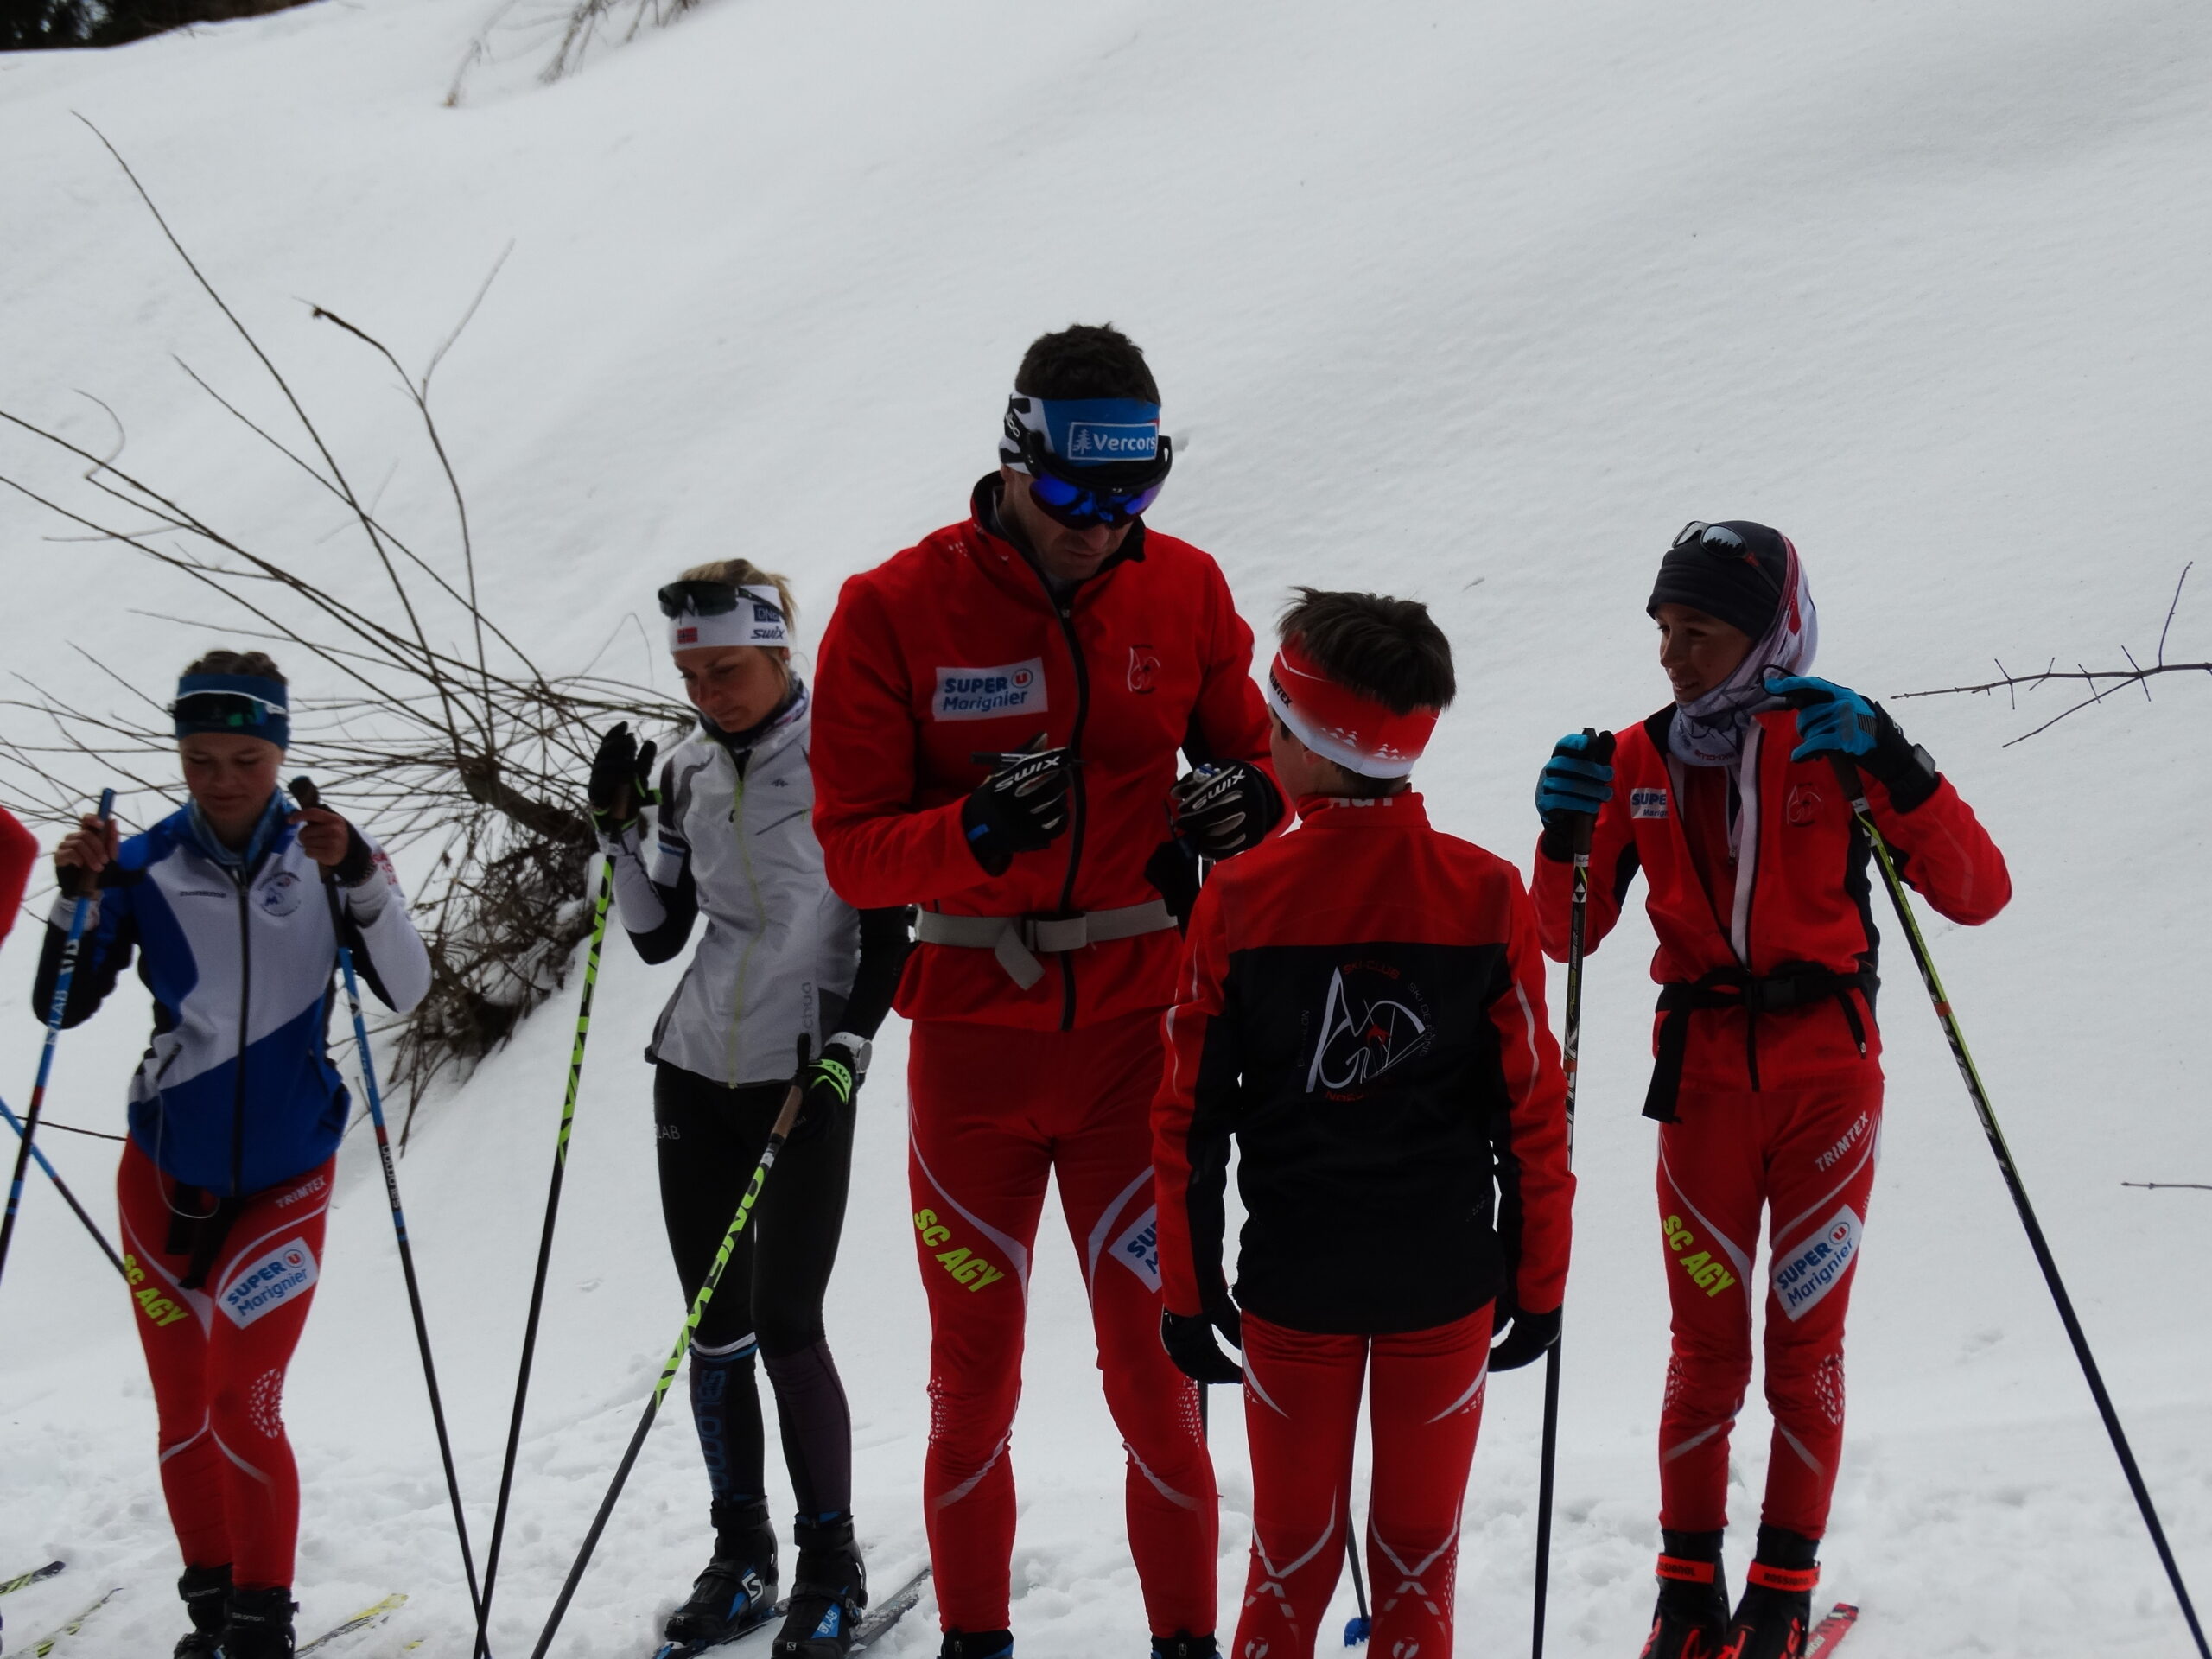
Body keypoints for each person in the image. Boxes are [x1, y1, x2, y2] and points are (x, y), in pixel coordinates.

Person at [810, 323, 1285, 1659]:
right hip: (974, 1050)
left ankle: (1186, 1644)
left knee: (1160, 1374)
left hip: (1142, 1037)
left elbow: (1259, 780)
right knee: (972, 1387)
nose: (1105, 525)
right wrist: (973, 837)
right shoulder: (894, 606)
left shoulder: (1182, 588)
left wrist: (1248, 808)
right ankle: (975, 1642)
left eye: (1137, 492)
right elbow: (848, 845)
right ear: (1015, 461)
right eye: (1078, 495)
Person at [1529, 522, 2011, 1659]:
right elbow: (1568, 934)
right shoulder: (1642, 757)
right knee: (1703, 1354)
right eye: (1662, 629)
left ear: (1767, 636)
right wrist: (1560, 832)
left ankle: (1782, 1592)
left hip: (1826, 1080)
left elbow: (1978, 894)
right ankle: (1685, 1593)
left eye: (1696, 632)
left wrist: (1903, 768)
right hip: (1700, 1080)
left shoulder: (1837, 741)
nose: (1671, 655)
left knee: (1805, 1349)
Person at [1153, 589, 1575, 1659]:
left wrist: (1186, 1292)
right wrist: (1539, 1284)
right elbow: (1531, 1115)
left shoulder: (1238, 900)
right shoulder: (1484, 893)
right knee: (1419, 1558)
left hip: (1297, 1282)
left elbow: (1189, 1122)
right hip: (1445, 1278)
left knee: (1289, 1556)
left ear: (1301, 740)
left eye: (1272, 720)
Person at [35, 650, 432, 1659]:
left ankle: (262, 1620)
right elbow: (60, 1004)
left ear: (280, 751)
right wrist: (74, 899)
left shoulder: (329, 851)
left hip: (288, 1179)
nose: (221, 779)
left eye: (246, 757)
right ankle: (210, 1606)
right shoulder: (145, 863)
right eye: (201, 757)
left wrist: (357, 879)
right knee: (182, 1411)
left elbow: (409, 987)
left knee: (239, 1399)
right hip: (166, 1177)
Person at [588, 559, 911, 1657]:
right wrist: (616, 832)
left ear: (780, 650)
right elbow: (655, 933)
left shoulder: (847, 753)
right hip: (693, 1066)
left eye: (727, 670)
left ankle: (832, 1561)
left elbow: (889, 927)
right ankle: (742, 1552)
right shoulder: (684, 769)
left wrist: (849, 1053)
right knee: (713, 1330)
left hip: (799, 1061)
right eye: (691, 673)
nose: (708, 693)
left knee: (786, 1323)